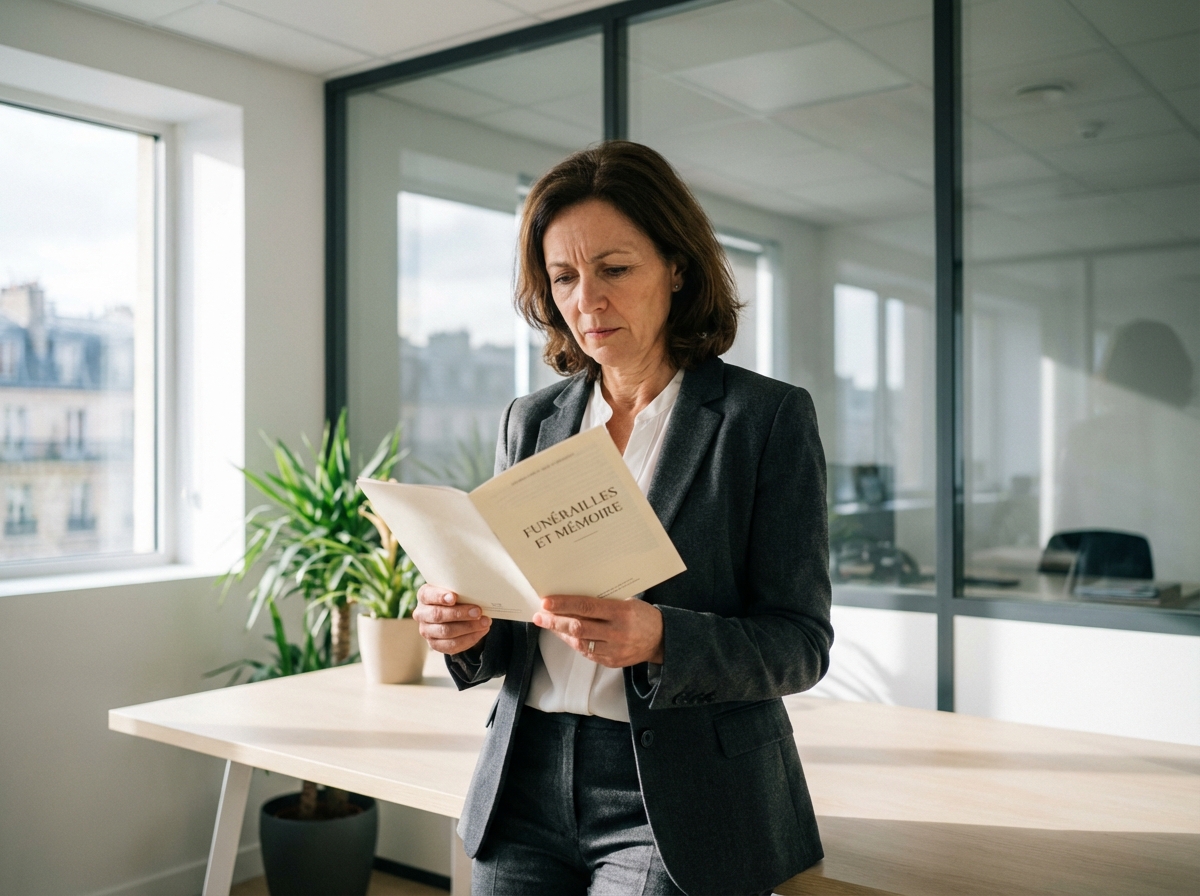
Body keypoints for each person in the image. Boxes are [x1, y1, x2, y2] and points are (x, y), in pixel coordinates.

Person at [413, 141, 833, 896]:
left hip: (676, 794)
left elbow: (801, 644)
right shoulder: (533, 419)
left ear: (676, 268)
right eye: (565, 277)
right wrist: (467, 630)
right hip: (525, 774)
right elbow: (521, 614)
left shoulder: (762, 420)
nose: (587, 302)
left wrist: (662, 637)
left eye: (615, 269)